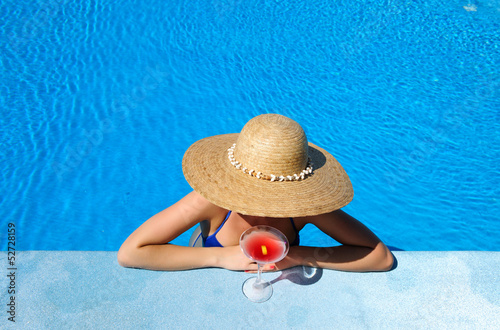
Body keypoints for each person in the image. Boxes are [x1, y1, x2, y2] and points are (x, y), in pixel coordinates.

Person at [118, 114, 393, 272]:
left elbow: (380, 257)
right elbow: (132, 252)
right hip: (203, 252)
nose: (263, 205)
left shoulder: (305, 206)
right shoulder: (210, 200)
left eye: (274, 194)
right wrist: (219, 257)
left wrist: (297, 256)